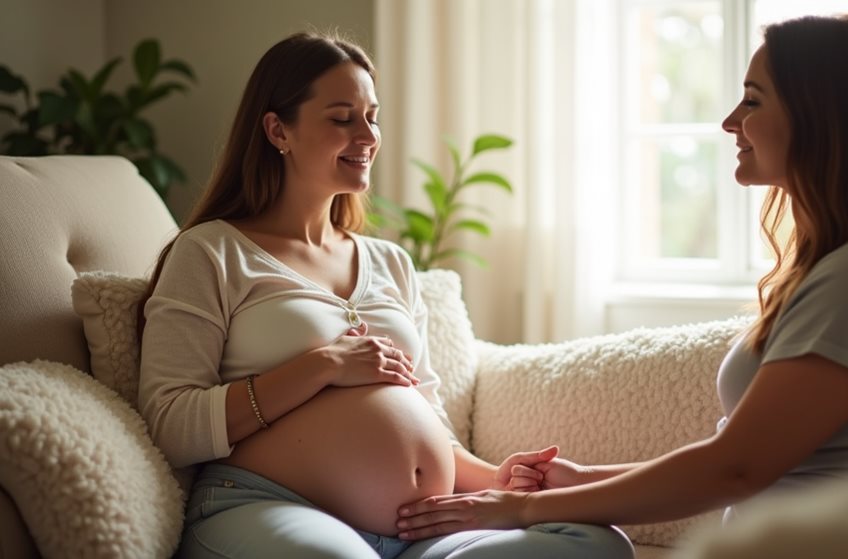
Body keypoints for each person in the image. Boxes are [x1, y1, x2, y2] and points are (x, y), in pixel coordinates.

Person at [393, 14, 848, 539]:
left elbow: (735, 468)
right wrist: (578, 482)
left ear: (820, 117)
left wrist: (517, 513)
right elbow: (744, 455)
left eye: (753, 100)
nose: (731, 121)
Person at [136, 31, 634, 559]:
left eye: (372, 116)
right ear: (278, 129)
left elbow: (428, 422)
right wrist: (322, 366)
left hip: (422, 528)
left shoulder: (391, 263)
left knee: (596, 541)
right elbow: (170, 423)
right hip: (270, 506)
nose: (368, 135)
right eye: (342, 117)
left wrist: (497, 480)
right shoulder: (212, 251)